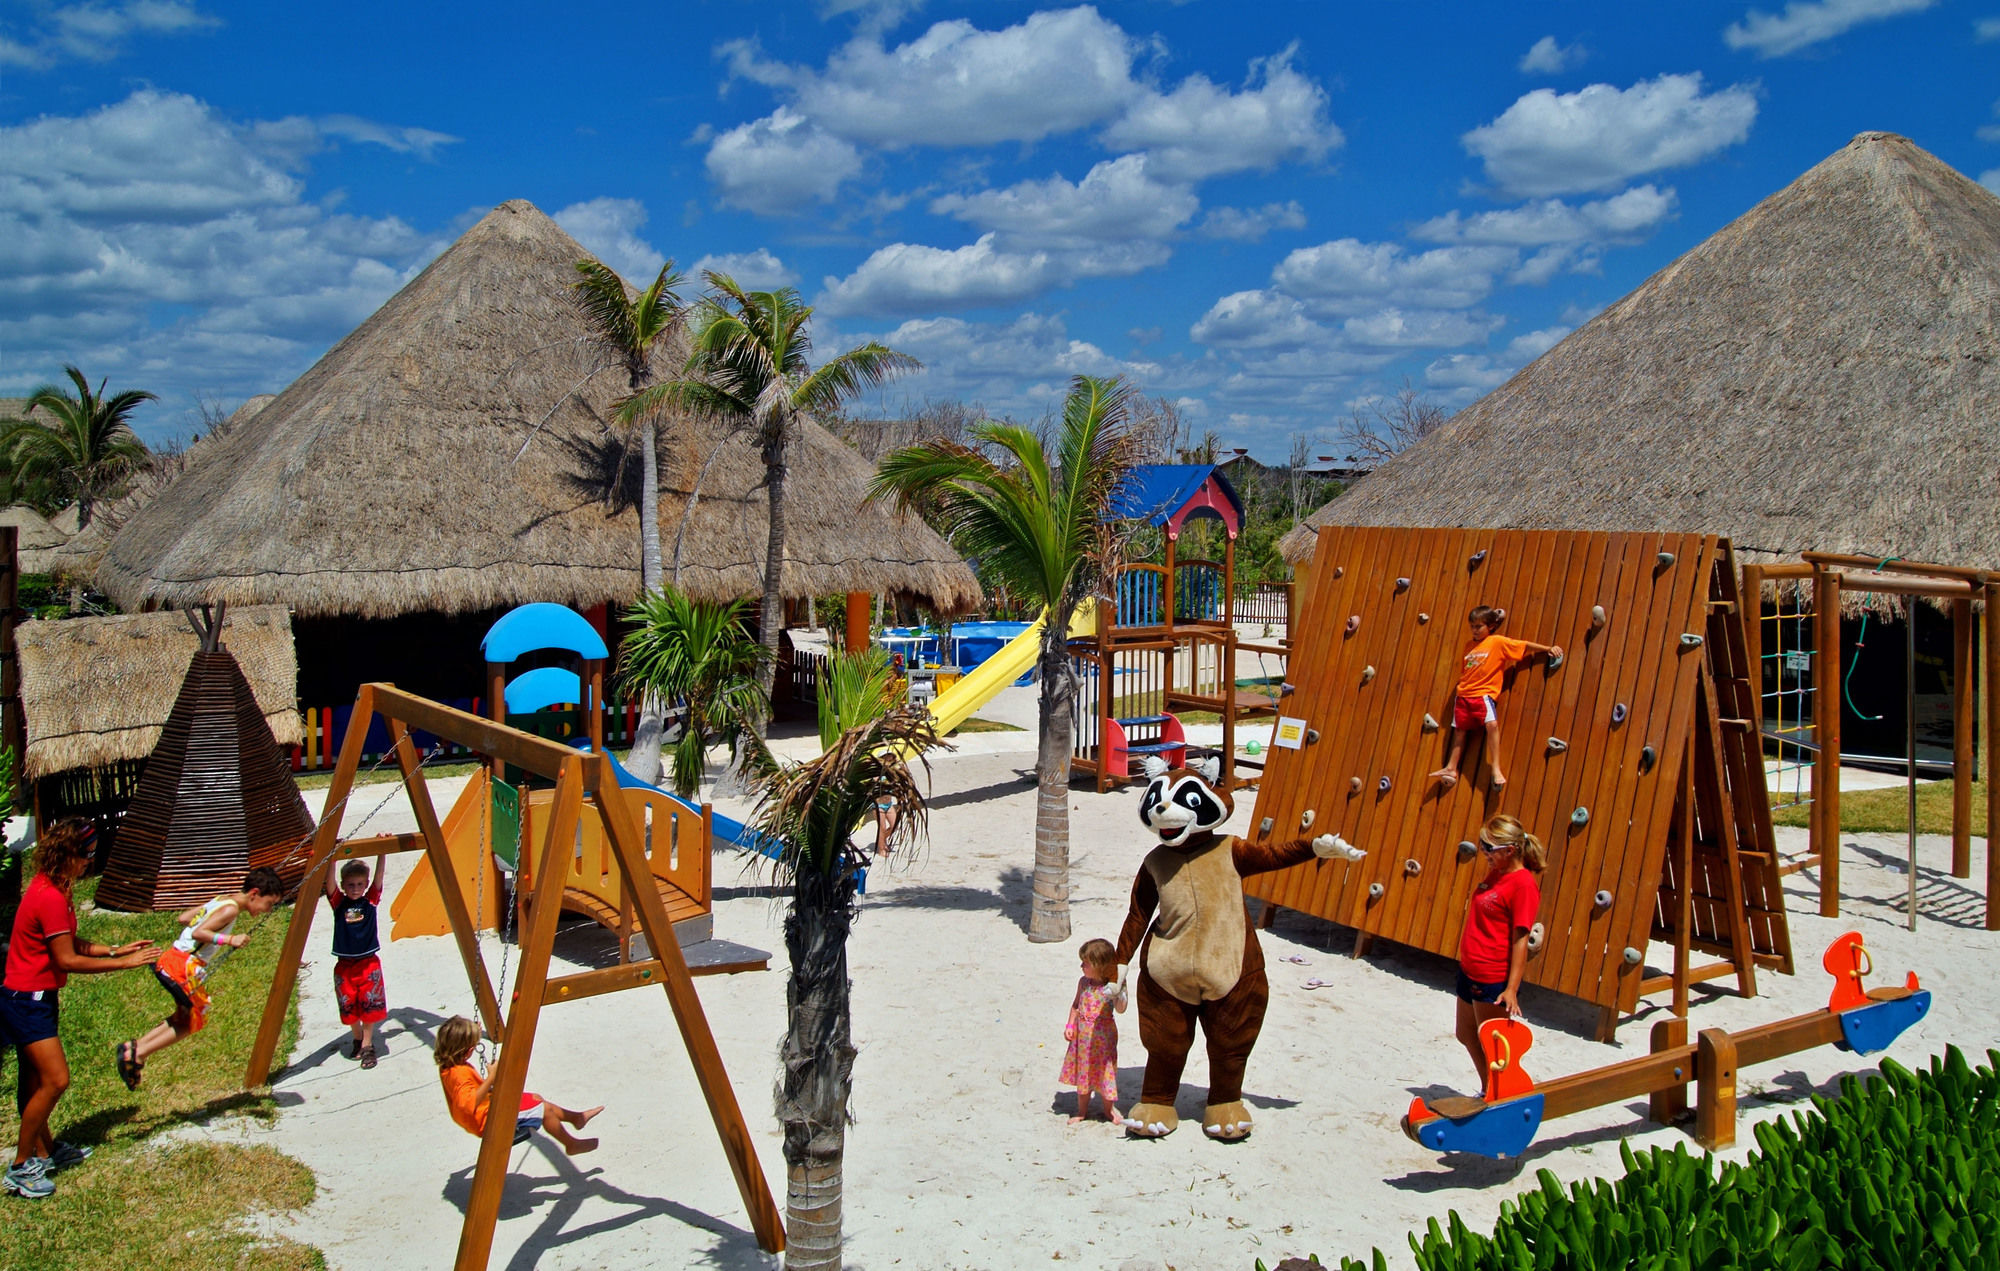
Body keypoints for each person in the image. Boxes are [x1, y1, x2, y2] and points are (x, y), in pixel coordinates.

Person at [1, 819, 160, 1199]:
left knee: (34, 1082)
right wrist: (124, 964)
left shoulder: (56, 886)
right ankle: (21, 1167)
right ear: (66, 853)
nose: (90, 861)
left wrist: (114, 950)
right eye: (86, 854)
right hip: (26, 1000)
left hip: (34, 997)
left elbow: (67, 940)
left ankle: (46, 1151)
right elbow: (67, 959)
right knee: (56, 1080)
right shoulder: (50, 897)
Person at [115, 867, 286, 1090]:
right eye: (269, 903)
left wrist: (206, 919)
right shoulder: (231, 909)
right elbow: (198, 933)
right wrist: (230, 939)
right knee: (194, 1020)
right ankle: (139, 1053)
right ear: (254, 893)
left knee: (184, 1016)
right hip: (183, 965)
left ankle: (134, 1048)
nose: (268, 910)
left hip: (172, 958)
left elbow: (184, 918)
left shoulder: (222, 900)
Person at [1453, 813, 1546, 1086]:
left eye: (1489, 847)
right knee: (1465, 1035)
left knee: (1493, 1048)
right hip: (1470, 969)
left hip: (1491, 977)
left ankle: (1497, 1093)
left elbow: (1521, 940)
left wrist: (1512, 989)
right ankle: (1489, 1090)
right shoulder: (1497, 872)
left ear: (1510, 850)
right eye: (1482, 844)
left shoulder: (1523, 885)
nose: (1483, 852)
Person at [1430, 605, 1562, 791]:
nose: (1474, 630)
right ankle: (1451, 767)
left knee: (1491, 725)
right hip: (1464, 695)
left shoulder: (1497, 642)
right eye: (1472, 626)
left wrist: (1548, 648)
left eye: (1478, 626)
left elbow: (1523, 646)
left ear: (1490, 626)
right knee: (1460, 732)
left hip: (1483, 694)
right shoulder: (1469, 646)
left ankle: (1496, 768)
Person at [432, 1016, 602, 1154]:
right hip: (487, 1121)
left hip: (484, 1113)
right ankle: (571, 1144)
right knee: (544, 1109)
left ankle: (576, 1118)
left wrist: (471, 1031)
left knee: (535, 1098)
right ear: (469, 1051)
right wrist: (492, 1077)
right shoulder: (460, 1074)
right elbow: (468, 1104)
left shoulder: (447, 1066)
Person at [326, 854, 389, 1069]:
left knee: (370, 1005)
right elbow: (329, 883)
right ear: (343, 885)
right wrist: (332, 858)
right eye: (351, 885)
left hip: (368, 963)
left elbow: (379, 877)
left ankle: (368, 1044)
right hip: (345, 965)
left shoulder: (369, 901)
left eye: (360, 884)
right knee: (348, 1006)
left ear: (366, 884)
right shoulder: (339, 903)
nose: (355, 889)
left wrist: (382, 852)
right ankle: (357, 1037)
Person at [1060, 938, 1126, 1125]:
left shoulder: (1110, 987)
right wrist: (1070, 1025)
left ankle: (1109, 1110)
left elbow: (1121, 1009)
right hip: (1083, 1039)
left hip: (1103, 1039)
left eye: (1085, 963)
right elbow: (1075, 1006)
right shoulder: (1084, 983)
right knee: (1084, 1073)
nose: (1082, 966)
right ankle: (1081, 1111)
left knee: (1106, 1074)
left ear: (1099, 966)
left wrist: (1120, 994)